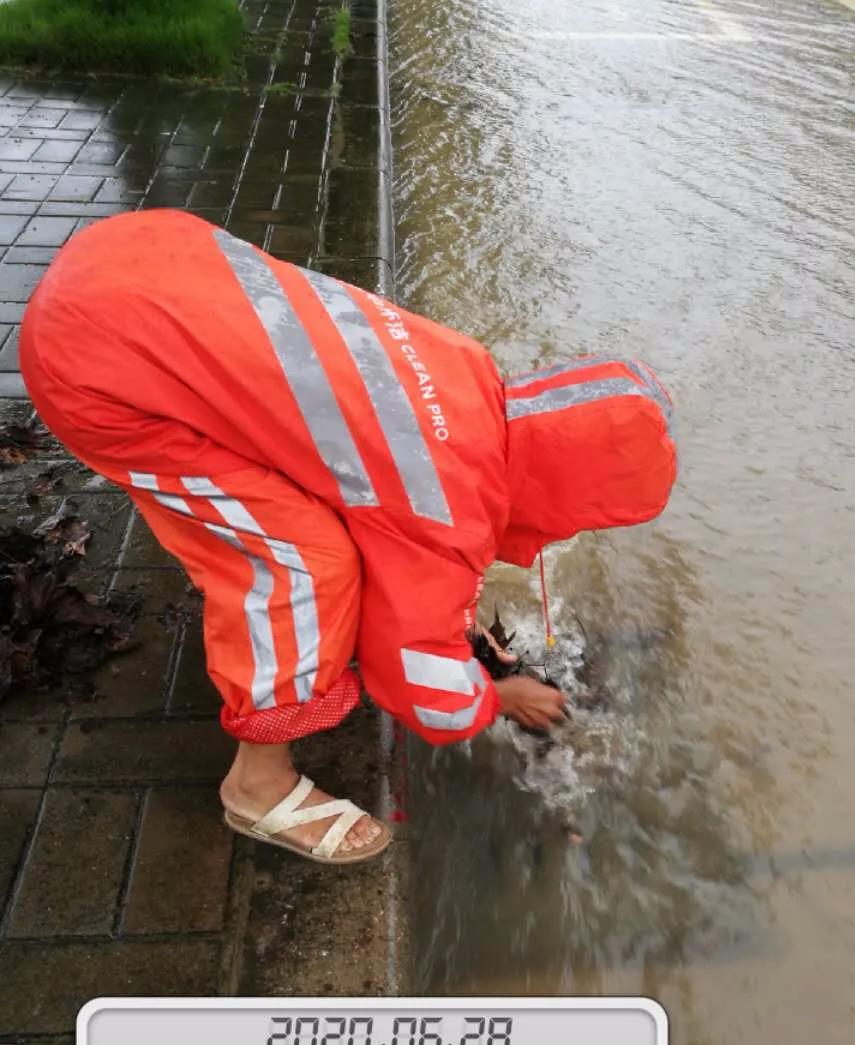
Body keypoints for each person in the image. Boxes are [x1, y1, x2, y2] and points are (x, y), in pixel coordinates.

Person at [20, 210, 677, 864]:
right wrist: (497, 697)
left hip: (141, 256)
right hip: (95, 370)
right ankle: (258, 787)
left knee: (320, 493)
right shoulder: (446, 502)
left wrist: (456, 621)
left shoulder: (468, 372)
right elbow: (422, 692)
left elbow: (393, 510)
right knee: (305, 565)